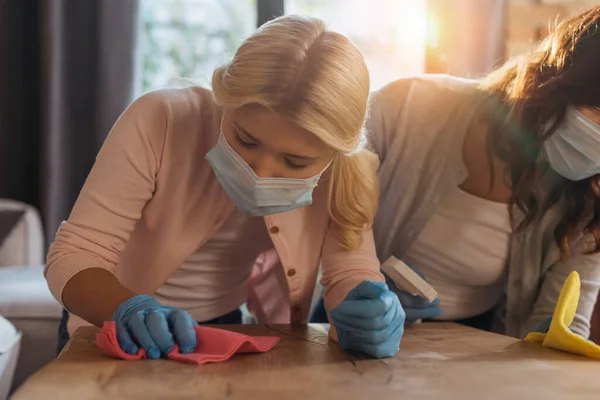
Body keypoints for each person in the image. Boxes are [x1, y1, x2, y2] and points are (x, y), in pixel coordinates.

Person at [46, 15, 404, 360]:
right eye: (245, 140)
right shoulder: (161, 120)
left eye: (295, 163)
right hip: (108, 321)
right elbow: (75, 255)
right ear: (224, 99)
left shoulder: (345, 169)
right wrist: (126, 310)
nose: (261, 172)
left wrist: (368, 309)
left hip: (225, 328)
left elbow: (350, 273)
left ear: (334, 154)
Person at [313, 5, 600, 339]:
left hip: (472, 346)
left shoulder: (586, 199)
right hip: (353, 320)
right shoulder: (408, 107)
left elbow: (564, 325)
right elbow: (334, 192)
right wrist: (361, 277)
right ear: (559, 80)